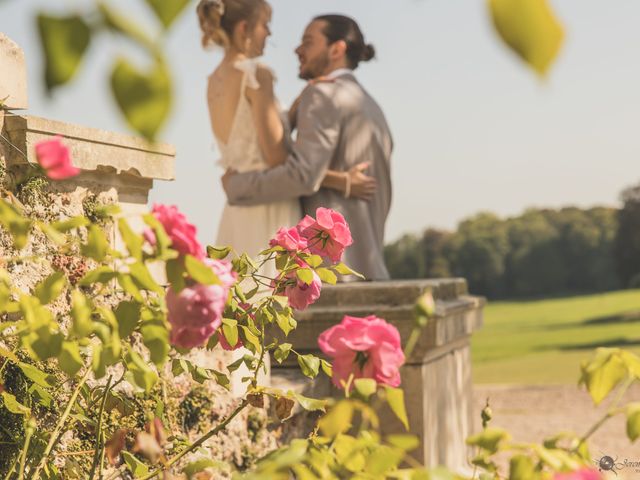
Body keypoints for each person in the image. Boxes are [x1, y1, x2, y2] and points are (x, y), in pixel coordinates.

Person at [198, 0, 376, 277]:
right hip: (270, 209)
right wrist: (343, 180)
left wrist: (290, 114)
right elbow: (279, 160)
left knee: (238, 303)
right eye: (265, 25)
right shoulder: (258, 75)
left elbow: (249, 138)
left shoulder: (214, 81)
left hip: (236, 212)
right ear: (245, 28)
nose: (269, 33)